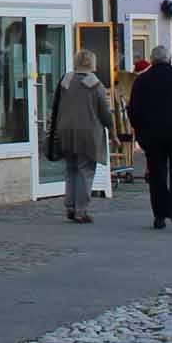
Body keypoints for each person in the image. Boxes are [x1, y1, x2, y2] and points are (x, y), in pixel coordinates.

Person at [126, 43, 172, 233]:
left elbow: (132, 110)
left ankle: (160, 215)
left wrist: (139, 130)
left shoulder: (142, 81)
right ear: (169, 59)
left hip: (152, 134)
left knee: (157, 174)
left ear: (152, 60)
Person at [47, 50, 112, 223]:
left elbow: (55, 105)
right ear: (92, 64)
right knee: (85, 170)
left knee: (70, 169)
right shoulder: (95, 85)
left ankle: (69, 205)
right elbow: (104, 112)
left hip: (65, 130)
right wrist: (112, 128)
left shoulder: (65, 81)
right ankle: (81, 210)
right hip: (87, 133)